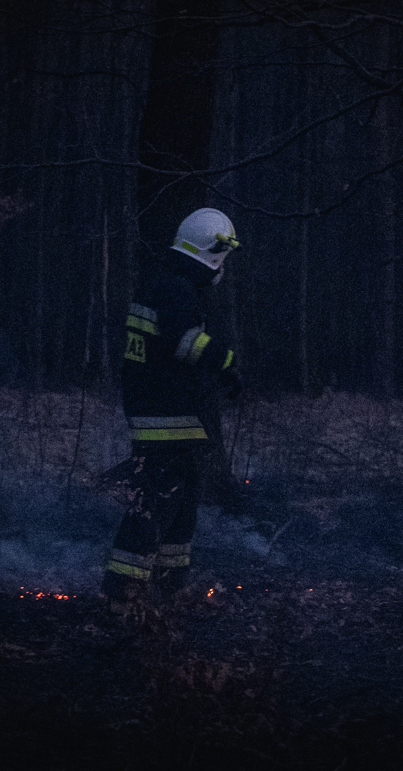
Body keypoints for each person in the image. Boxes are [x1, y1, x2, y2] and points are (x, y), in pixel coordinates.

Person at [101, 207, 244, 615]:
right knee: (152, 508)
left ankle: (169, 587)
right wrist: (226, 362)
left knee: (180, 510)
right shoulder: (174, 290)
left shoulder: (164, 285)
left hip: (170, 418)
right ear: (212, 253)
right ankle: (122, 593)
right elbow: (186, 343)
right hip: (165, 420)